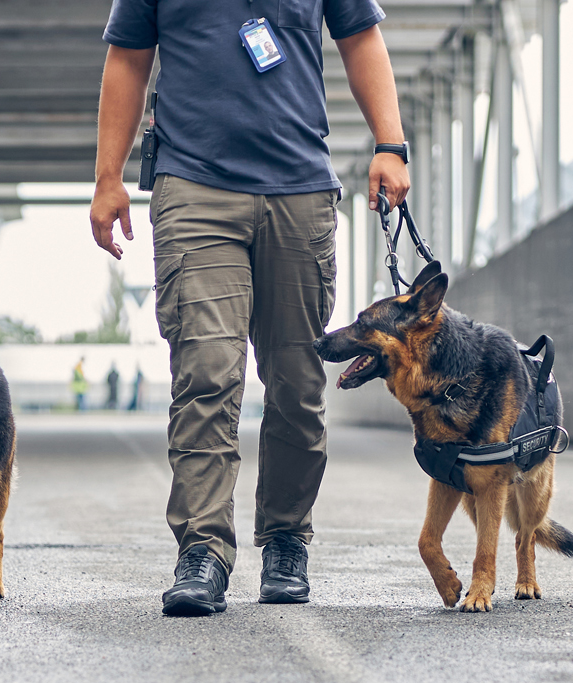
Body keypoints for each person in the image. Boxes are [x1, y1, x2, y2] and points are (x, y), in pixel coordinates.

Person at [90, 0, 411, 616]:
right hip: (193, 188)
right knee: (207, 374)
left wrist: (390, 143)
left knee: (296, 381)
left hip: (300, 190)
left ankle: (287, 537)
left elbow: (360, 36)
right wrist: (108, 177)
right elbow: (128, 57)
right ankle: (203, 550)